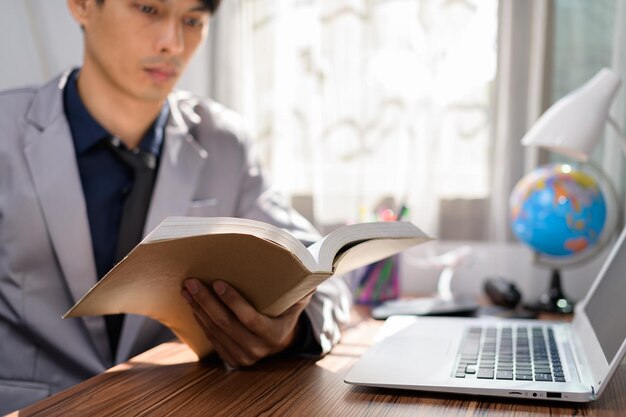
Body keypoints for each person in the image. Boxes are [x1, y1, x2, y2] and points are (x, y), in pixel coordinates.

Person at [0, 0, 351, 412]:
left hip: (171, 405)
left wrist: (288, 334)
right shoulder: (6, 131)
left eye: (193, 20)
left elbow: (326, 276)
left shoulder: (224, 142)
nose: (173, 43)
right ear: (81, 6)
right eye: (148, 9)